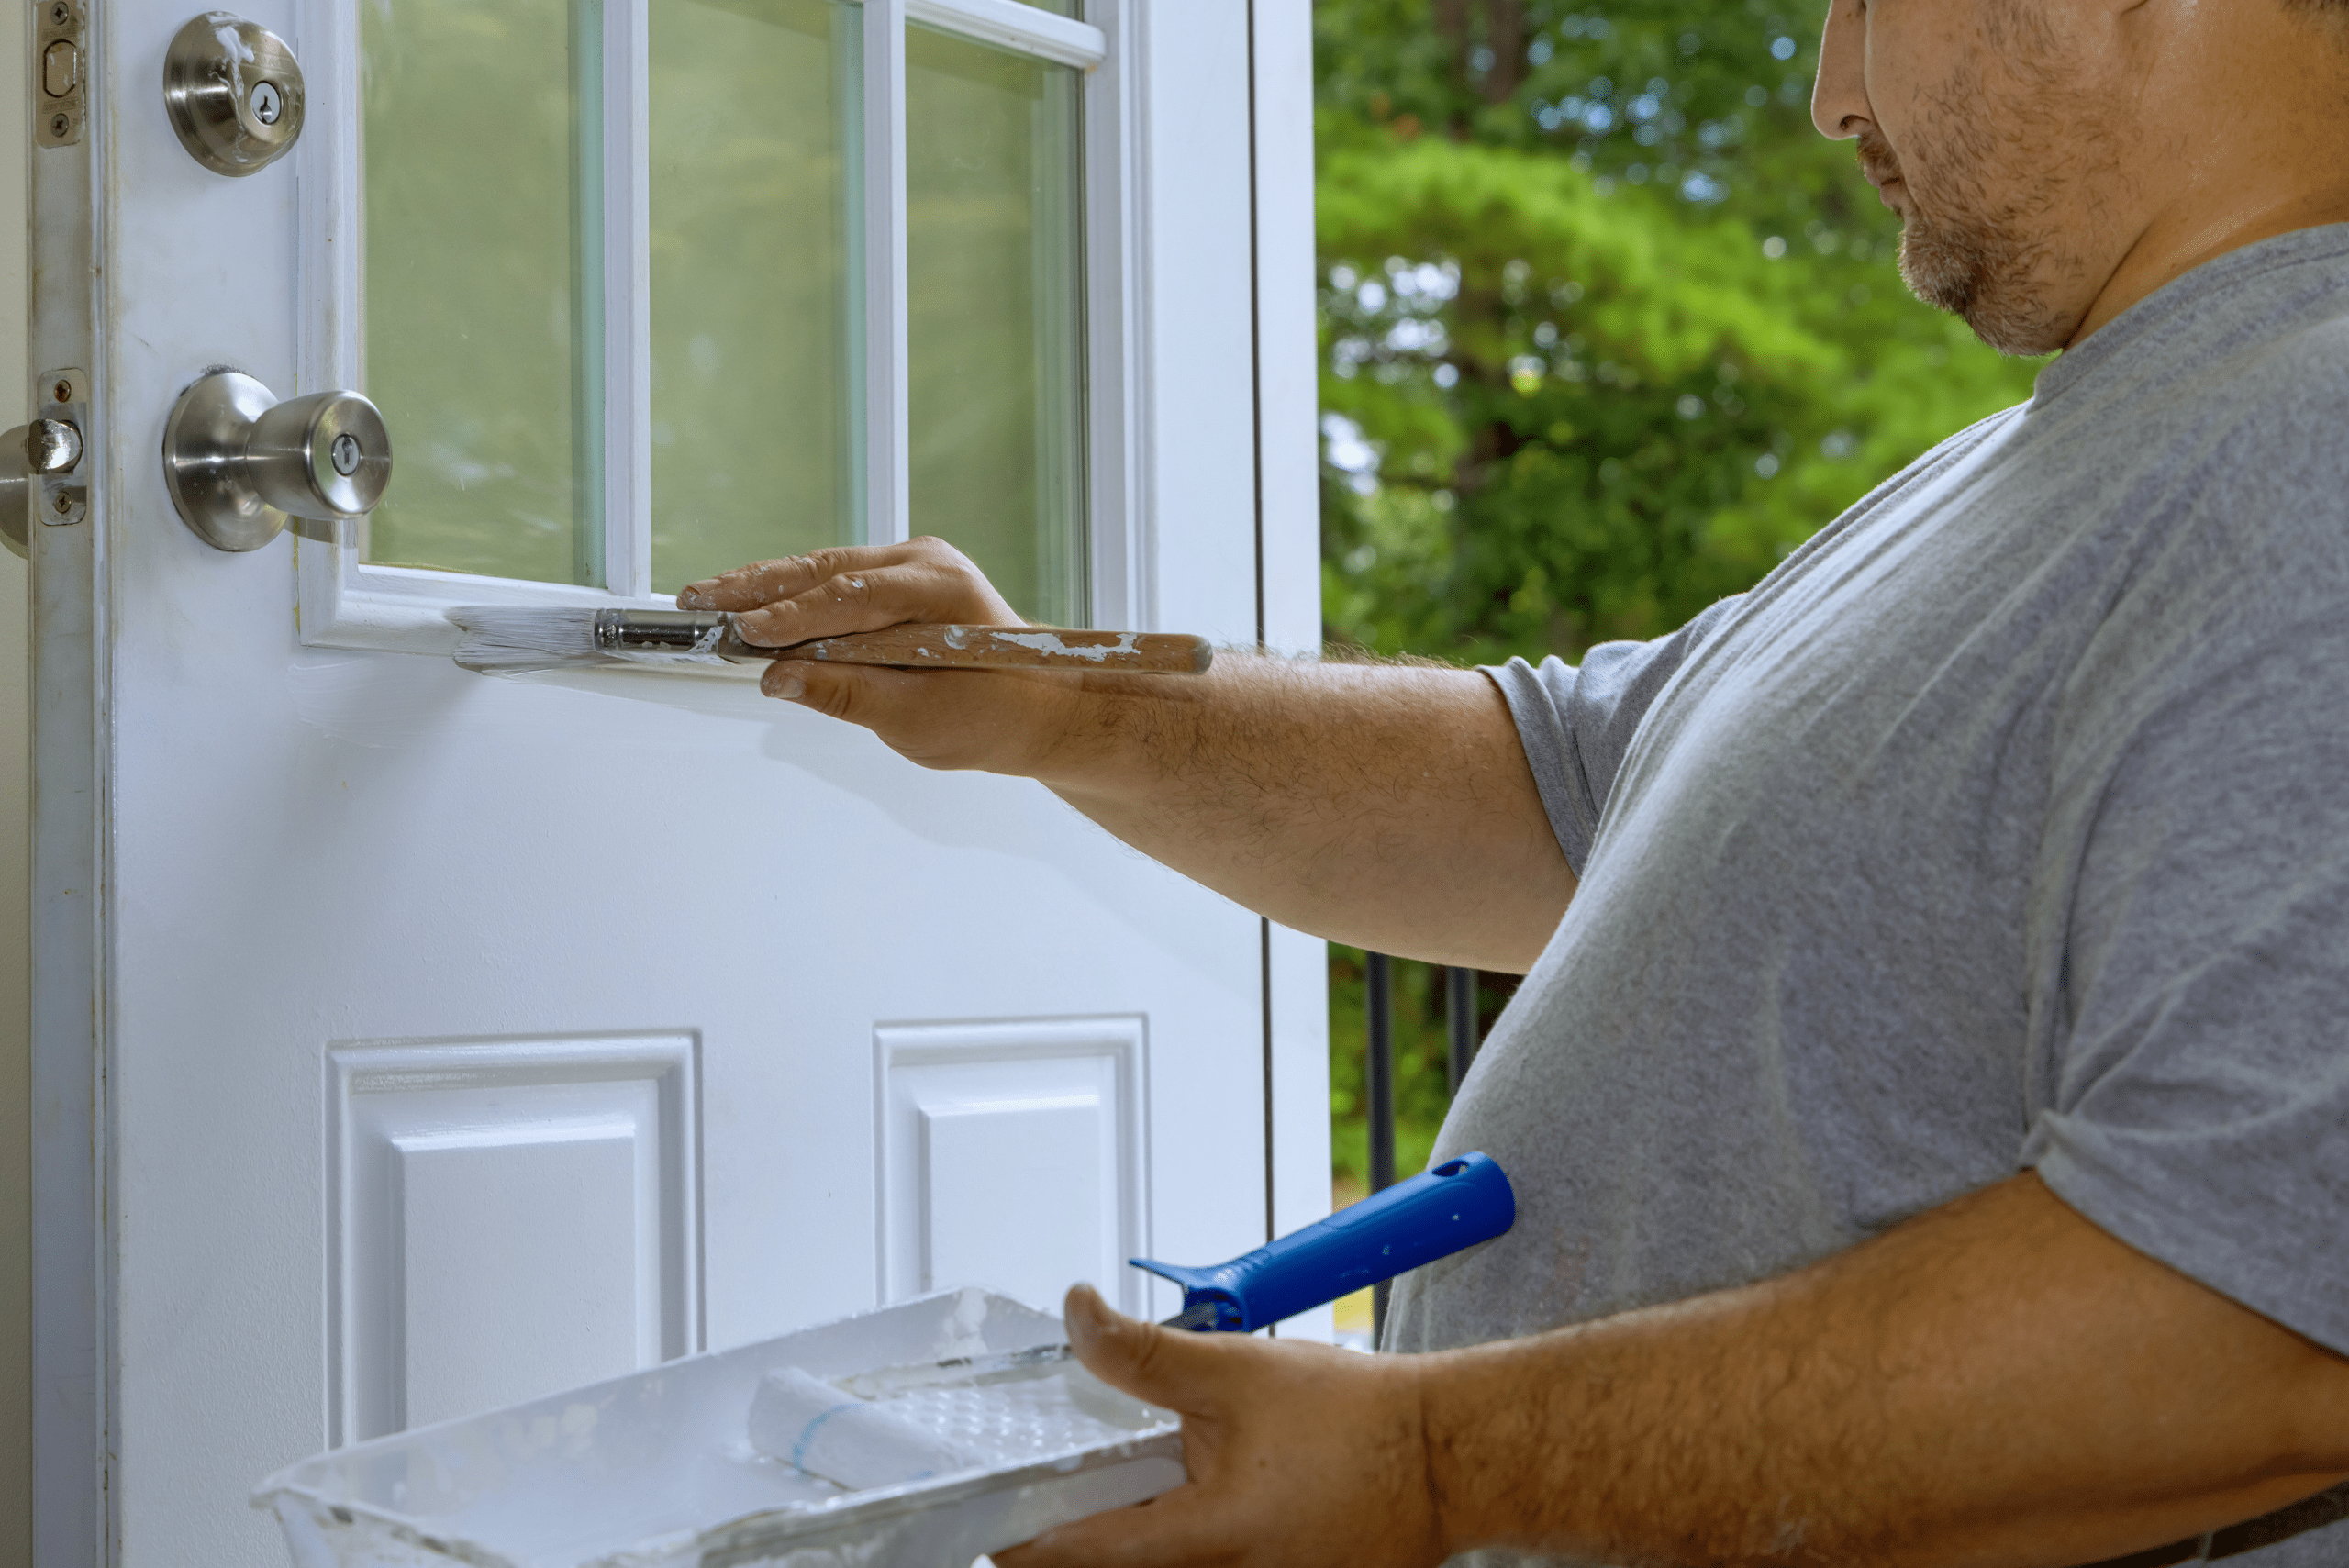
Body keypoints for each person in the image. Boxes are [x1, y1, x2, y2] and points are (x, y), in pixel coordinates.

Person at [680, 0, 2349, 1561]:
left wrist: (1429, 1460)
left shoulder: (2312, 436)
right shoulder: (2063, 448)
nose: (1832, 92)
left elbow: (2256, 1325)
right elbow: (1572, 798)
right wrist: (1062, 704)